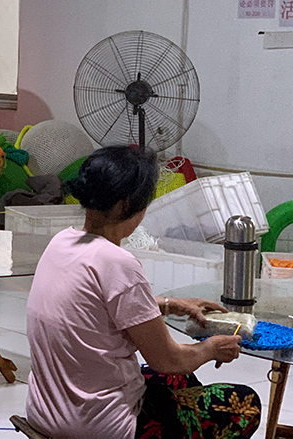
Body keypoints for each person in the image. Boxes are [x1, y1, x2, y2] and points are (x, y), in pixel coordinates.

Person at [25, 146, 260, 439]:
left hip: (46, 411)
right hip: (97, 426)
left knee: (180, 379)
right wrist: (212, 347)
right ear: (127, 205)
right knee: (244, 403)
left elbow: (92, 309)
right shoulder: (118, 263)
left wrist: (167, 304)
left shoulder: (62, 242)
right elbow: (168, 359)